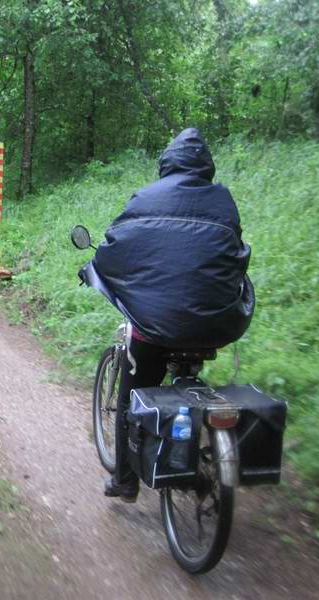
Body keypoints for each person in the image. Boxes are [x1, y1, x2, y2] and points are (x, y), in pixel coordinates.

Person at [90, 128, 255, 502]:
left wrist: (96, 267)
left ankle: (125, 481)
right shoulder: (223, 199)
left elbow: (116, 248)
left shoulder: (147, 197)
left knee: (132, 393)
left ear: (167, 163)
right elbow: (233, 252)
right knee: (190, 351)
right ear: (207, 168)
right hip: (216, 326)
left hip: (156, 329)